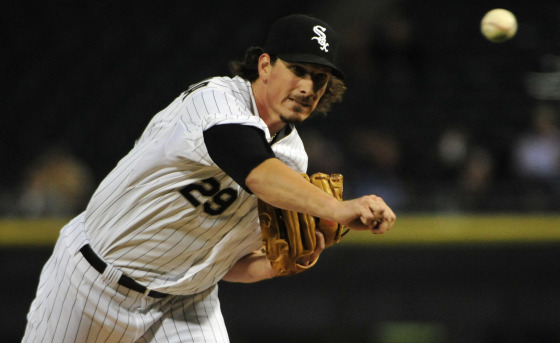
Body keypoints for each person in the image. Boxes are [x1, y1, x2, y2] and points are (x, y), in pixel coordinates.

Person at [22, 14, 396, 343]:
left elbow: (225, 263)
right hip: (91, 282)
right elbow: (256, 170)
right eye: (298, 70)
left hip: (185, 302)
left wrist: (276, 265)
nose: (308, 87)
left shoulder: (293, 161)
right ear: (265, 65)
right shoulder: (214, 101)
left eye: (320, 79)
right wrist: (338, 208)